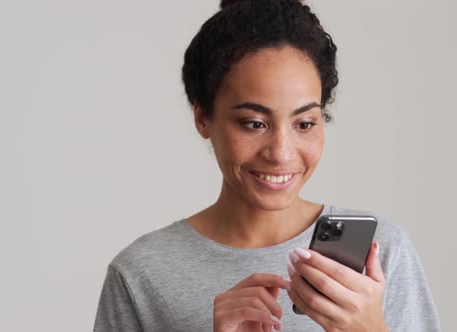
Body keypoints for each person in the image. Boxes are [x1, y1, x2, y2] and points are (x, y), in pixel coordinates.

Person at [93, 0, 440, 331]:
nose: (281, 153)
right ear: (202, 116)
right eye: (254, 123)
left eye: (304, 124)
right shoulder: (141, 273)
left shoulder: (382, 251)